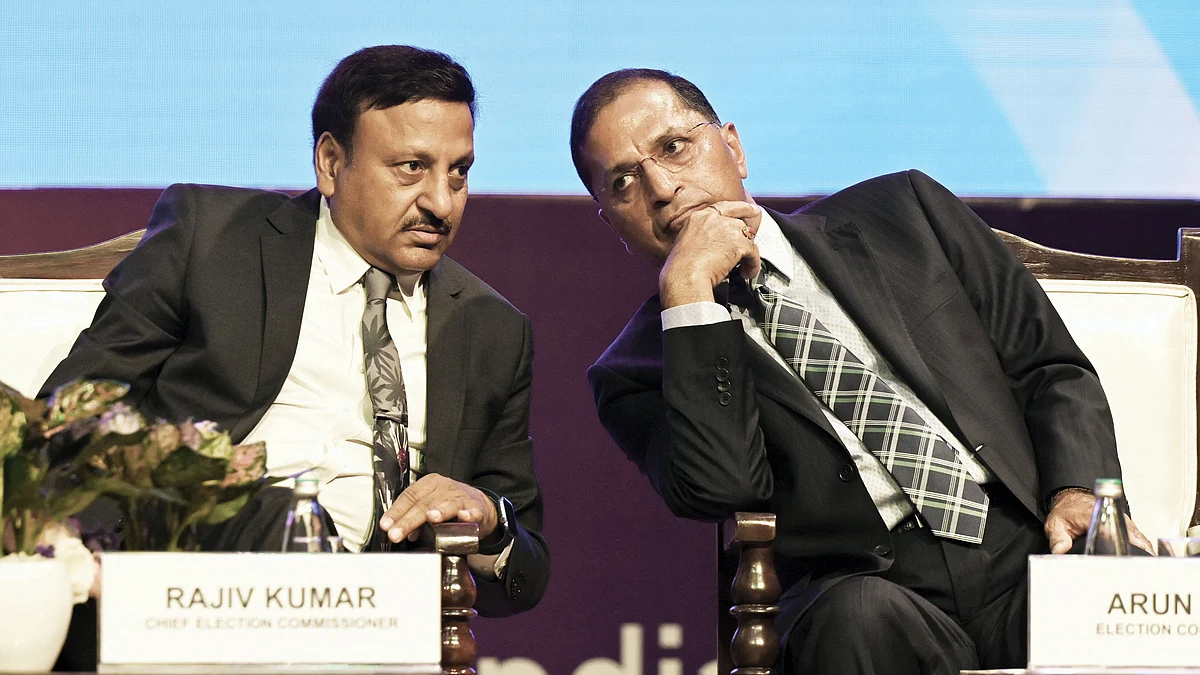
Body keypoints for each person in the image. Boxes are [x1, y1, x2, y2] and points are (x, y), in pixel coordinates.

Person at [571, 68, 1152, 674]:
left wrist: (1078, 491)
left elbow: (1049, 367)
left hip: (1026, 548)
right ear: (610, 221)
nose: (662, 187)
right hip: (869, 589)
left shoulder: (906, 214)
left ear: (734, 147)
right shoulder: (634, 372)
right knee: (859, 620)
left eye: (673, 147)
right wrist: (691, 295)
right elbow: (725, 489)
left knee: (1131, 598)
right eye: (623, 182)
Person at [43, 46, 548, 618]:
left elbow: (525, 569)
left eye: (459, 172)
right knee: (279, 513)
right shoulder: (211, 241)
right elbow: (70, 419)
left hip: (373, 609)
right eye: (411, 167)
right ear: (331, 162)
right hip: (190, 582)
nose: (441, 202)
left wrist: (487, 516)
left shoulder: (491, 329)